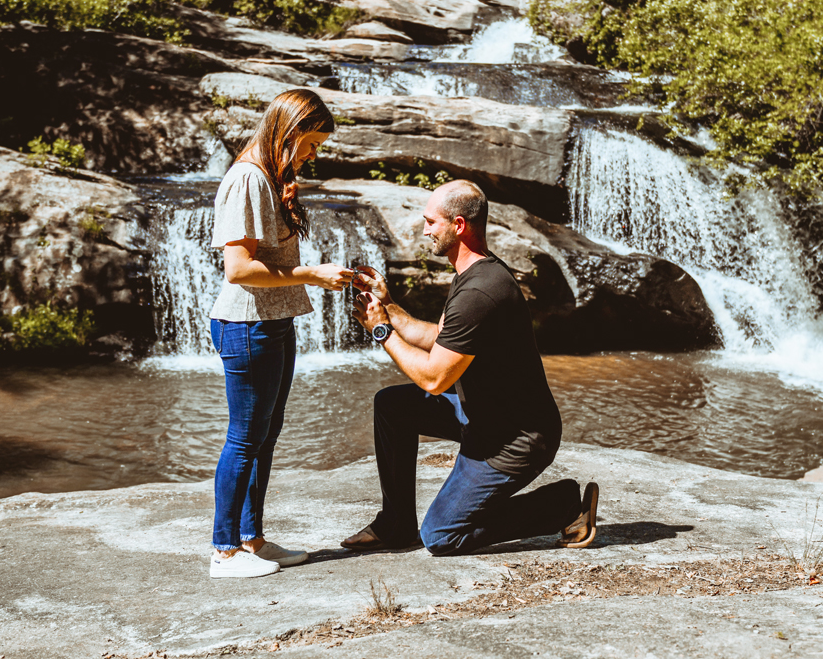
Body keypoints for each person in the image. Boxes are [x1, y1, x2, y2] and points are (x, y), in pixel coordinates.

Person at [344, 180, 599, 556]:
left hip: (516, 440)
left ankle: (564, 506)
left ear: (459, 225)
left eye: (432, 221)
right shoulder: (474, 273)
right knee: (393, 406)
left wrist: (381, 330)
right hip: (482, 416)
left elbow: (434, 378)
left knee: (442, 536)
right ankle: (396, 524)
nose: (425, 228)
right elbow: (441, 338)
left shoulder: (481, 292)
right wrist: (390, 306)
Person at [208, 88, 355, 578]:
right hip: (248, 325)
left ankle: (252, 539)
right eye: (311, 144)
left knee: (265, 436)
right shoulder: (248, 179)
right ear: (288, 133)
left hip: (271, 322)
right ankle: (223, 551)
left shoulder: (270, 177)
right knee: (245, 438)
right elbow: (239, 269)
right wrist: (312, 275)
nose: (314, 155)